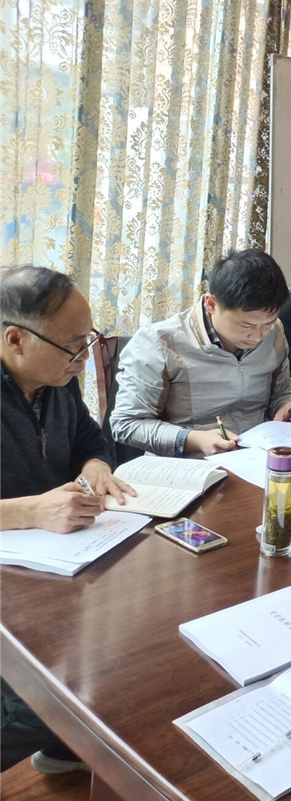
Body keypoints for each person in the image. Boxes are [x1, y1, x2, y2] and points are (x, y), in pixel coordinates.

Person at [1, 265, 136, 774]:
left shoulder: (57, 380)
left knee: (130, 648)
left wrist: (97, 465)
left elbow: (89, 440)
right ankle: (63, 731)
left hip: (57, 568)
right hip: (13, 581)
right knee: (43, 701)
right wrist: (32, 510)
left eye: (89, 342)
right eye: (72, 347)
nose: (82, 360)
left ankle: (68, 744)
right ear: (16, 340)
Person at [110, 250, 291, 457]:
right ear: (211, 304)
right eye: (246, 325)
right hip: (188, 462)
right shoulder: (159, 342)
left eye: (267, 323)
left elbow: (280, 393)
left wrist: (287, 406)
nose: (259, 336)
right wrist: (190, 439)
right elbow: (126, 424)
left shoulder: (275, 332)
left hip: (256, 455)